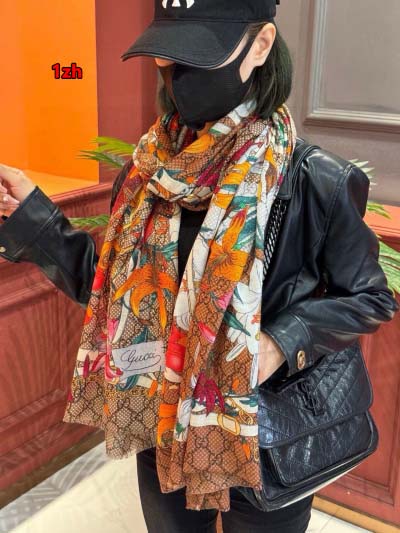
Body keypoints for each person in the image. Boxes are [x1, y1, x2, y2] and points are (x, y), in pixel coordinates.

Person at [0, 1, 398, 532]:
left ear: (260, 46)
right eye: (166, 57)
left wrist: (278, 343)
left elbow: (370, 297)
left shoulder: (316, 181)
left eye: (198, 57)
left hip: (264, 436)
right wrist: (35, 218)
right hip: (160, 425)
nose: (176, 75)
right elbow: (112, 295)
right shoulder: (146, 175)